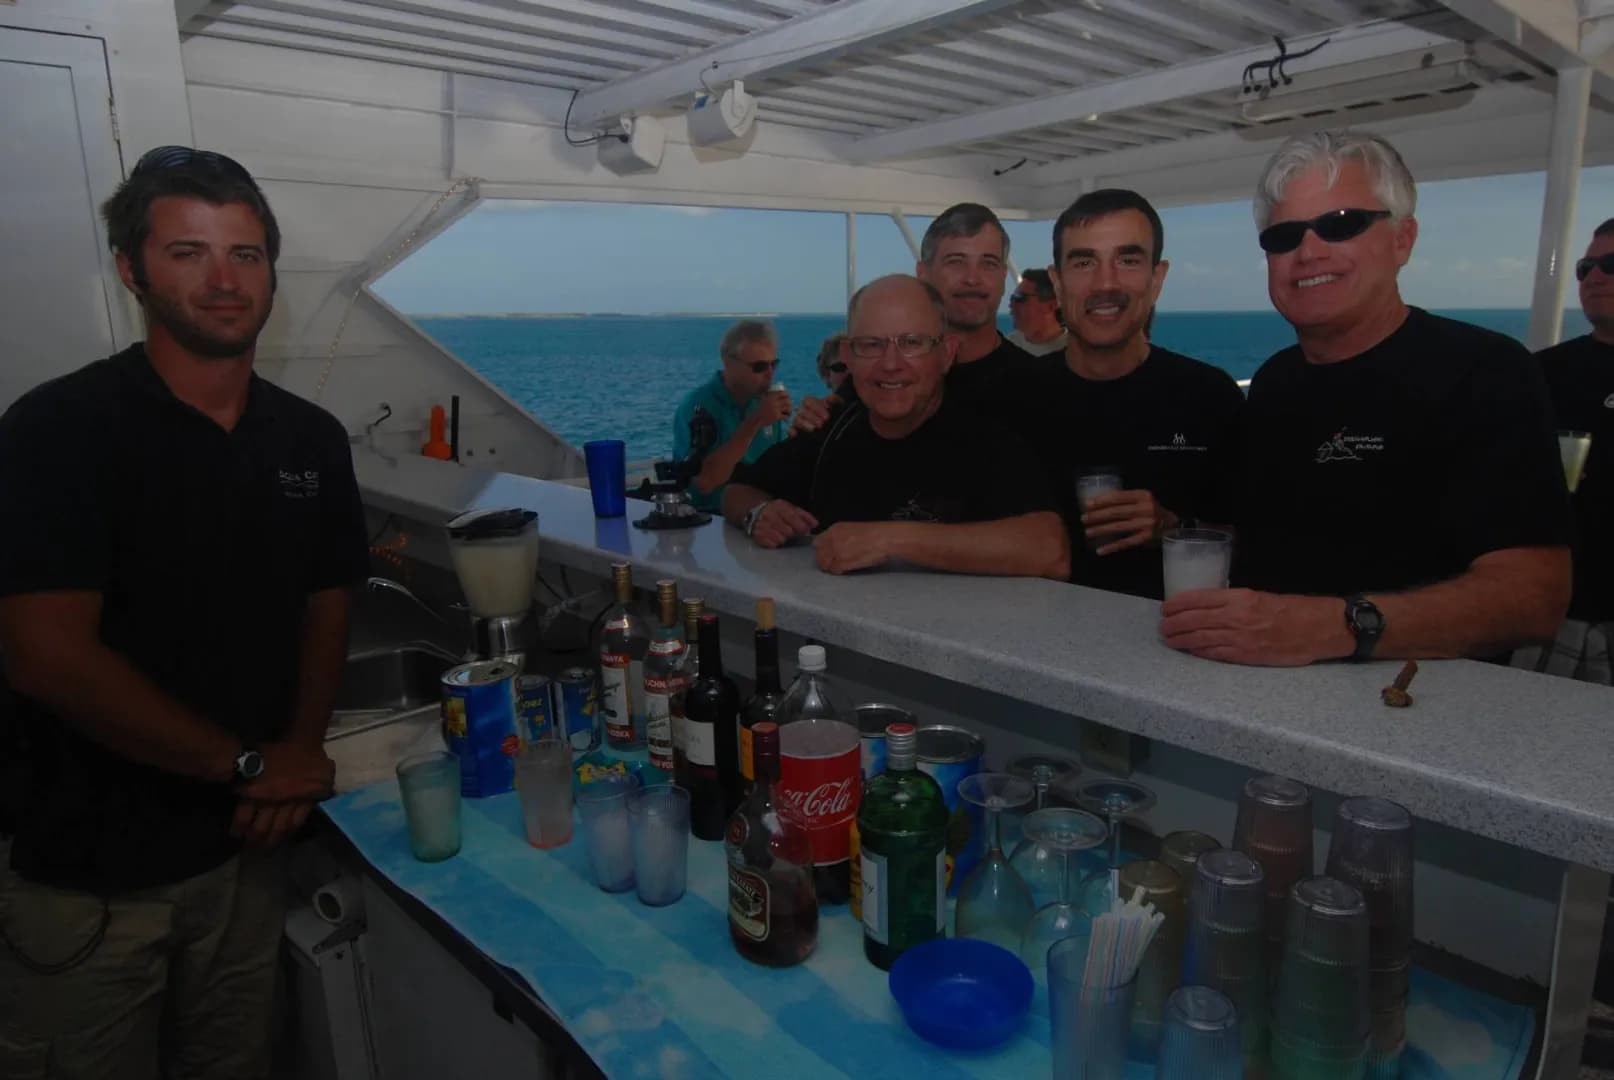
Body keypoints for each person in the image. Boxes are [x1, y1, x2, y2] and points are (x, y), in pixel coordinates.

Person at [0, 146, 368, 1078]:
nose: (222, 281)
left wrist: (303, 744)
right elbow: (45, 654)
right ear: (131, 269)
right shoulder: (58, 431)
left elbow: (329, 601)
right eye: (187, 252)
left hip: (244, 862)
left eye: (245, 254)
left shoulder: (309, 439)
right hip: (92, 876)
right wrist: (249, 764)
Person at [1161, 129, 1569, 666]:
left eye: (1341, 225)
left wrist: (1334, 626)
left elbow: (1535, 598)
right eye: (1282, 237)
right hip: (1258, 703)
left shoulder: (1485, 371)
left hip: (1414, 713)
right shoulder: (1276, 382)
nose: (1307, 251)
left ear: (1403, 239)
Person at [722, 275, 1068, 580]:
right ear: (849, 356)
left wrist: (890, 541)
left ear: (946, 353)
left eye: (912, 343)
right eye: (871, 345)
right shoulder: (832, 430)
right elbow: (738, 491)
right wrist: (759, 515)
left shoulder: (985, 435)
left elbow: (1051, 550)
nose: (890, 365)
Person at [991, 189, 1243, 599]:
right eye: (1084, 262)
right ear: (1057, 283)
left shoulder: (1210, 396)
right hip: (1023, 644)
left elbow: (1259, 546)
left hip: (1170, 647)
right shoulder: (1009, 398)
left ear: (1156, 279)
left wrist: (1172, 528)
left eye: (1127, 261)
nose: (1105, 283)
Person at [791, 202, 1032, 434]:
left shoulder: (1038, 389)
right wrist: (812, 419)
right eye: (956, 262)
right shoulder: (878, 386)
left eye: (988, 264)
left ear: (1003, 276)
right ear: (923, 274)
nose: (972, 278)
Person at [1517, 219, 1614, 683]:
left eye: (1611, 265)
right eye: (1586, 267)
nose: (1595, 277)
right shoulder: (1543, 374)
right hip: (1558, 616)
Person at [672, 319, 792, 512]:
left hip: (760, 519)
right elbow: (705, 482)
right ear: (728, 363)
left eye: (773, 364)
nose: (770, 374)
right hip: (709, 522)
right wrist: (756, 422)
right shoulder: (698, 407)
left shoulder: (764, 404)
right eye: (759, 367)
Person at [1006, 268, 1068, 356]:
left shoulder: (1082, 353)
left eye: (1020, 298)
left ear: (1051, 306)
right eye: (1013, 297)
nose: (1011, 305)